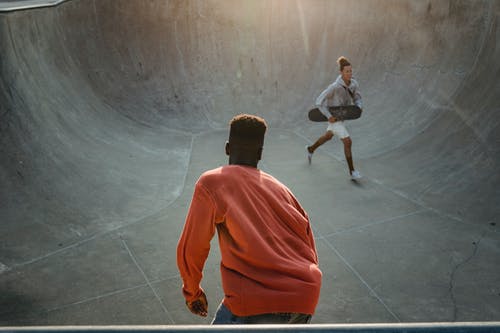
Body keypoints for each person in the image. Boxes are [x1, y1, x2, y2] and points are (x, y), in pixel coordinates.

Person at [177, 114, 322, 324]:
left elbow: (192, 247)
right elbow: (308, 244)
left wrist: (192, 291)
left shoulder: (212, 182)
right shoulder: (283, 190)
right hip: (305, 296)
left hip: (255, 301)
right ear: (260, 154)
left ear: (227, 148)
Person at [306, 56, 363, 180]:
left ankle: (311, 149)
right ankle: (352, 171)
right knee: (348, 142)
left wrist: (359, 106)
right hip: (333, 116)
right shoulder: (334, 87)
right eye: (347, 71)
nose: (349, 73)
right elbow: (319, 101)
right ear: (341, 72)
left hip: (342, 115)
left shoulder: (354, 84)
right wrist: (328, 116)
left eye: (351, 71)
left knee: (328, 136)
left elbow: (357, 97)